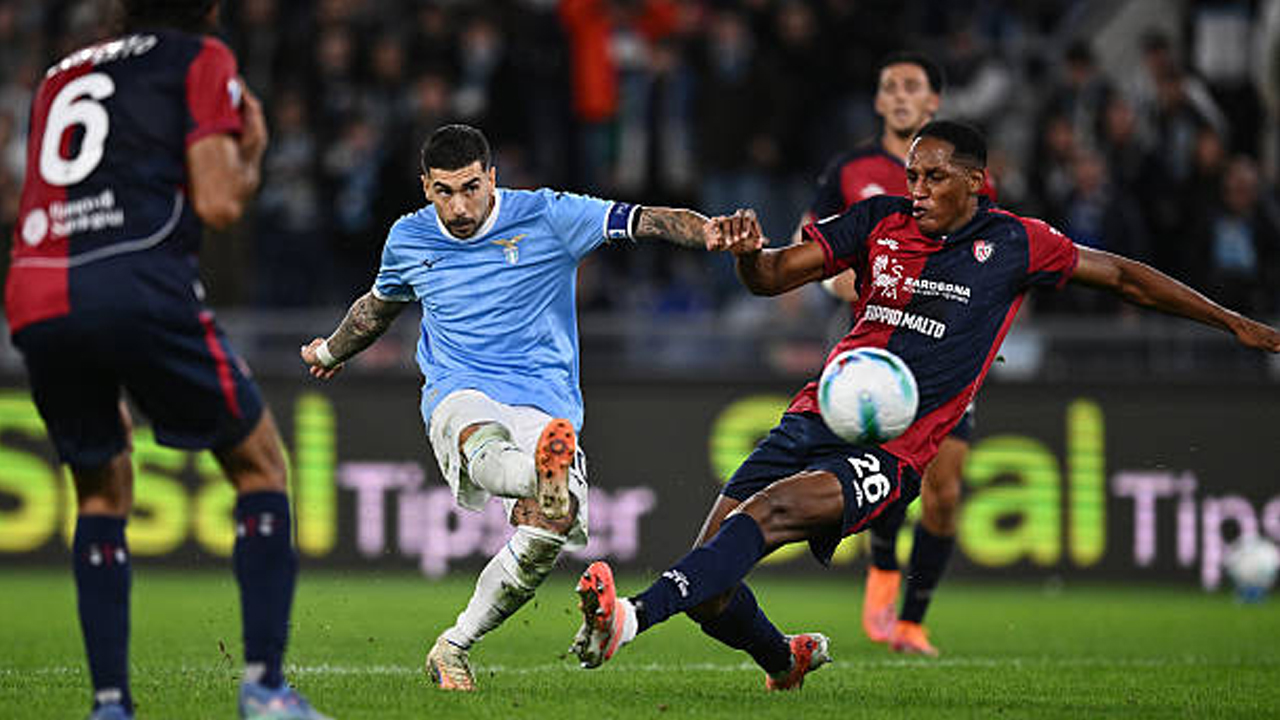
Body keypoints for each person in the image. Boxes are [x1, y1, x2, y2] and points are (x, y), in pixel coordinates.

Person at [569, 120, 1280, 689]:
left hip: (892, 450)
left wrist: (1234, 323)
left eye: (935, 176)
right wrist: (748, 254)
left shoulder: (1014, 244)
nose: (918, 188)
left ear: (978, 182)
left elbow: (1125, 276)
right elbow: (773, 277)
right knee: (712, 581)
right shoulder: (877, 221)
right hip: (816, 415)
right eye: (912, 174)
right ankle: (783, 659)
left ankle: (630, 616)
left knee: (767, 516)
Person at [299, 123, 721, 692]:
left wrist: (712, 231)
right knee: (482, 441)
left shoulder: (549, 216)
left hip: (544, 402)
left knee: (548, 532)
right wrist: (330, 349)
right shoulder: (410, 238)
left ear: (492, 177)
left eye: (471, 187)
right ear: (425, 187)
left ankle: (453, 645)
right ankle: (537, 474)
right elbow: (378, 308)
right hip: (458, 390)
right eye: (444, 191)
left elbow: (644, 218)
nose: (459, 205)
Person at [2, 2, 329, 719]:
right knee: (261, 465)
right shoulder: (201, 58)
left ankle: (111, 704)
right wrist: (253, 150)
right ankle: (267, 691)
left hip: (36, 289)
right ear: (209, 10)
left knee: (100, 489)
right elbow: (216, 203)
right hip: (137, 281)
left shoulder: (60, 74)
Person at [802, 52, 989, 655]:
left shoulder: (964, 171)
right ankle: (883, 566)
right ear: (879, 103)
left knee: (946, 488)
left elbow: (994, 259)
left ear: (934, 101)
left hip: (945, 348)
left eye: (913, 87)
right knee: (884, 469)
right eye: (890, 87)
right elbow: (815, 244)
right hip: (873, 344)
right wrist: (846, 282)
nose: (901, 96)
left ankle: (913, 620)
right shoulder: (851, 170)